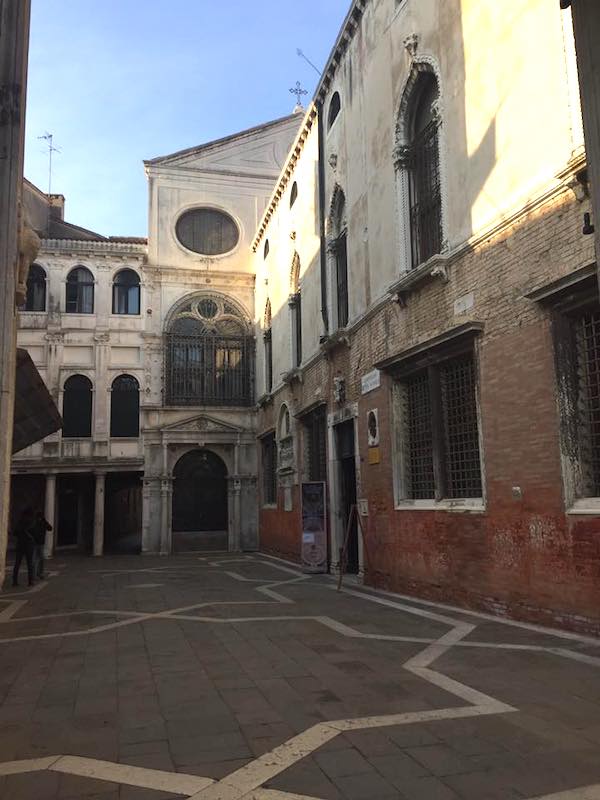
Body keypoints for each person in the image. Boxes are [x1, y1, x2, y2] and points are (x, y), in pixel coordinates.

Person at [12, 508, 35, 587]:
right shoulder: (31, 521)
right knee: (29, 564)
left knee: (17, 563)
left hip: (20, 545)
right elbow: (33, 533)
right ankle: (30, 581)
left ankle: (14, 581)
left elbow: (15, 532)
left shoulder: (20, 522)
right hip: (28, 545)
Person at [31, 510, 52, 581]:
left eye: (40, 517)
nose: (39, 519)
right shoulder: (34, 523)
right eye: (38, 517)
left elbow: (50, 528)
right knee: (34, 561)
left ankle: (40, 573)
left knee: (41, 559)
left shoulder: (43, 523)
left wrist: (45, 522)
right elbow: (31, 531)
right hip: (35, 544)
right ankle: (33, 575)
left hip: (41, 544)